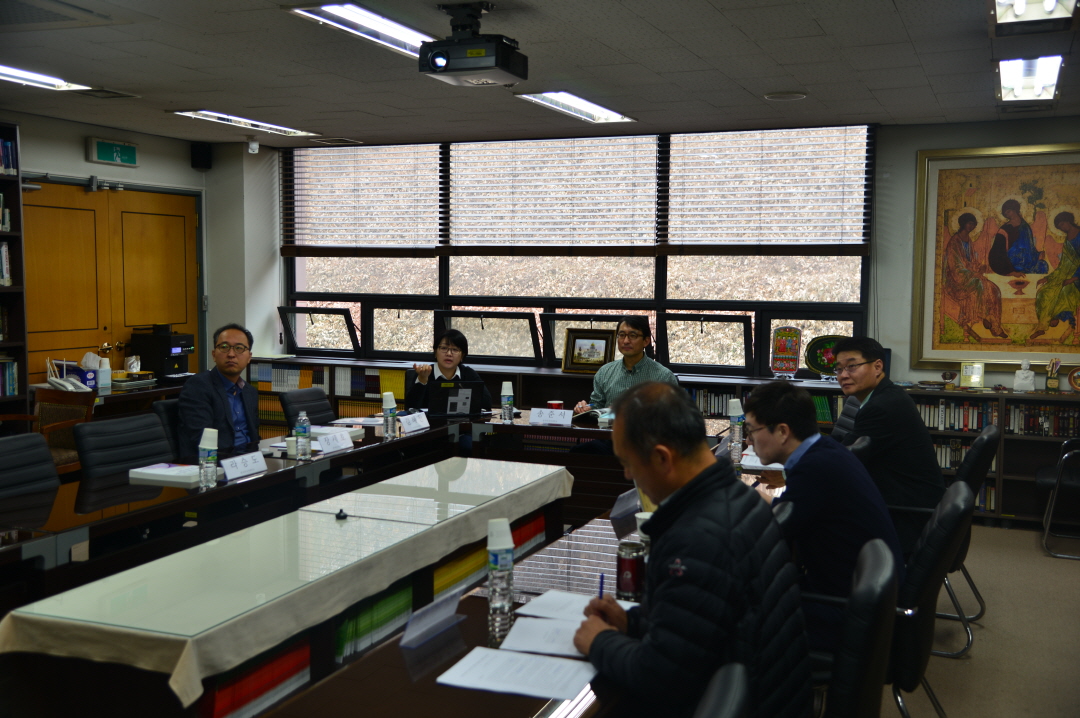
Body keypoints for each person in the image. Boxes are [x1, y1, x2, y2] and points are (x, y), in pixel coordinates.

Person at [572, 382, 811, 718]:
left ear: (661, 458)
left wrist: (600, 642)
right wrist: (632, 622)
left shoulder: (697, 540)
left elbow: (661, 678)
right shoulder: (739, 496)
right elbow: (699, 622)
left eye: (628, 462)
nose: (627, 474)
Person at [742, 381, 904, 651]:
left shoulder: (815, 469)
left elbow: (770, 534)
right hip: (866, 597)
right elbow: (792, 513)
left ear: (782, 432)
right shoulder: (826, 451)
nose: (749, 440)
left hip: (847, 612)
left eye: (752, 430)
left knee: (736, 612)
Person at [831, 336, 945, 556]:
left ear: (877, 366)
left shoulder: (882, 407)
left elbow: (843, 462)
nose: (843, 375)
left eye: (852, 366)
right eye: (839, 369)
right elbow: (844, 446)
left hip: (906, 517)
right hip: (905, 502)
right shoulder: (884, 395)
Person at [177, 323, 259, 460]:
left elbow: (254, 436)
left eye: (239, 348)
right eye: (224, 347)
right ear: (214, 354)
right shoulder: (198, 386)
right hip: (214, 462)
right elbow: (201, 438)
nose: (231, 354)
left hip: (249, 460)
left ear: (249, 357)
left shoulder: (249, 392)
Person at [572, 316, 678, 414]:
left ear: (646, 341)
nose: (626, 341)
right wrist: (586, 408)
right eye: (622, 335)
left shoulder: (663, 376)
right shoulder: (604, 372)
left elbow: (672, 415)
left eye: (633, 336)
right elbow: (597, 406)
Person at [943, 212, 1008, 341]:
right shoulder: (954, 242)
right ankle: (986, 317)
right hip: (957, 280)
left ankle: (995, 324)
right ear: (963, 223)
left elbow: (971, 262)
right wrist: (974, 273)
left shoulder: (968, 240)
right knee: (979, 284)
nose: (971, 226)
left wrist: (980, 267)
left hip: (971, 276)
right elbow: (955, 267)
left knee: (994, 289)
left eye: (973, 224)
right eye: (969, 223)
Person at [405, 328, 492, 411]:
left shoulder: (468, 374)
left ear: (462, 355)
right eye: (444, 348)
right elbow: (410, 408)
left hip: (460, 421)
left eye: (455, 349)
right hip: (430, 421)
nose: (449, 354)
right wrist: (422, 380)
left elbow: (486, 404)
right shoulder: (424, 373)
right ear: (435, 352)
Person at [1031, 212, 1080, 342]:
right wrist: (1048, 278)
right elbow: (1063, 264)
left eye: (1062, 224)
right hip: (1066, 274)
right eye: (1059, 227)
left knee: (1064, 291)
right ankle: (1042, 326)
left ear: (1068, 221)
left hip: (1077, 278)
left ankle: (1060, 319)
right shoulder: (1067, 240)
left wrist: (1074, 278)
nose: (1062, 228)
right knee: (1043, 292)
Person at [988, 198, 1048, 276]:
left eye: (1009, 212)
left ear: (1015, 209)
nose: (1008, 215)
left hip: (1028, 259)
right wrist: (1010, 271)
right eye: (1006, 214)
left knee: (1043, 265)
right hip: (1013, 262)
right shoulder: (1005, 229)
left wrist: (1038, 255)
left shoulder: (1025, 227)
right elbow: (997, 250)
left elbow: (1030, 246)